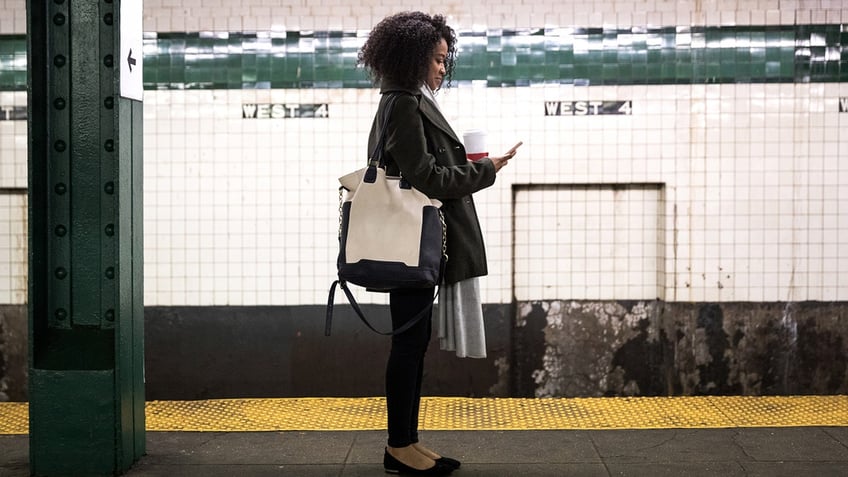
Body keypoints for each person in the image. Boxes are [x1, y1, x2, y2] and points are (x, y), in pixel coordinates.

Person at [357, 11, 519, 476]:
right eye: (438, 59)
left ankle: (406, 441)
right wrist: (486, 170)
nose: (443, 68)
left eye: (446, 60)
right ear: (414, 58)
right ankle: (398, 446)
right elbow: (425, 176)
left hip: (411, 240)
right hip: (410, 241)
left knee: (414, 341)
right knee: (408, 344)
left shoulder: (405, 99)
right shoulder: (404, 103)